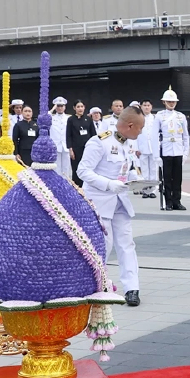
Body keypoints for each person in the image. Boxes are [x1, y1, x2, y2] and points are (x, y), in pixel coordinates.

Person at [77, 106, 146, 306]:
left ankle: (132, 288)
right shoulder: (99, 142)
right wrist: (109, 184)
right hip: (100, 201)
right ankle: (96, 285)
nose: (141, 132)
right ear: (130, 125)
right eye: (139, 128)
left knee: (126, 243)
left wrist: (136, 178)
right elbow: (83, 171)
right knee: (103, 246)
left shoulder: (127, 144)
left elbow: (124, 170)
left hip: (120, 201)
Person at [157, 87, 190, 211]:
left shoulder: (181, 116)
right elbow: (156, 136)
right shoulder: (160, 116)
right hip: (165, 150)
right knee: (167, 178)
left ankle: (177, 201)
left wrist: (185, 153)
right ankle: (168, 202)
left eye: (173, 102)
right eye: (169, 101)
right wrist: (156, 156)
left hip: (178, 150)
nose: (171, 103)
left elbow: (185, 136)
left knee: (177, 178)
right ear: (164, 102)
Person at [66, 100, 94, 187]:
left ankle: (87, 186)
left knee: (87, 167)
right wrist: (70, 149)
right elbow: (68, 135)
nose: (80, 108)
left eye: (82, 106)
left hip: (87, 148)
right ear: (74, 108)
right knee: (76, 168)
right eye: (78, 107)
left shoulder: (88, 119)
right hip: (76, 148)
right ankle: (77, 187)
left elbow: (93, 134)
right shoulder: (71, 119)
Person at [137, 99, 160, 199]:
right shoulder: (138, 118)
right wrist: (136, 148)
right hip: (142, 147)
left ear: (151, 107)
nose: (146, 107)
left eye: (148, 105)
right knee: (145, 170)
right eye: (144, 105)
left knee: (154, 169)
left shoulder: (155, 118)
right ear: (141, 107)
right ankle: (145, 190)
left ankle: (153, 190)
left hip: (153, 147)